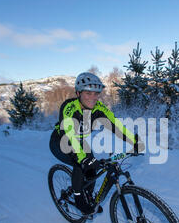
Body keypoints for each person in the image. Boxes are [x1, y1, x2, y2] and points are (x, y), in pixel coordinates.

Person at [49, 72, 142, 215]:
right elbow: (68, 135)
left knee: (92, 170)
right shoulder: (69, 107)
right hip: (61, 141)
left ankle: (89, 198)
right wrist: (83, 158)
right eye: (88, 93)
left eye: (96, 93)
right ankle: (80, 199)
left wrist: (133, 141)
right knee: (80, 165)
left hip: (79, 142)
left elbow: (116, 126)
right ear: (78, 93)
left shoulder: (99, 108)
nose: (93, 98)